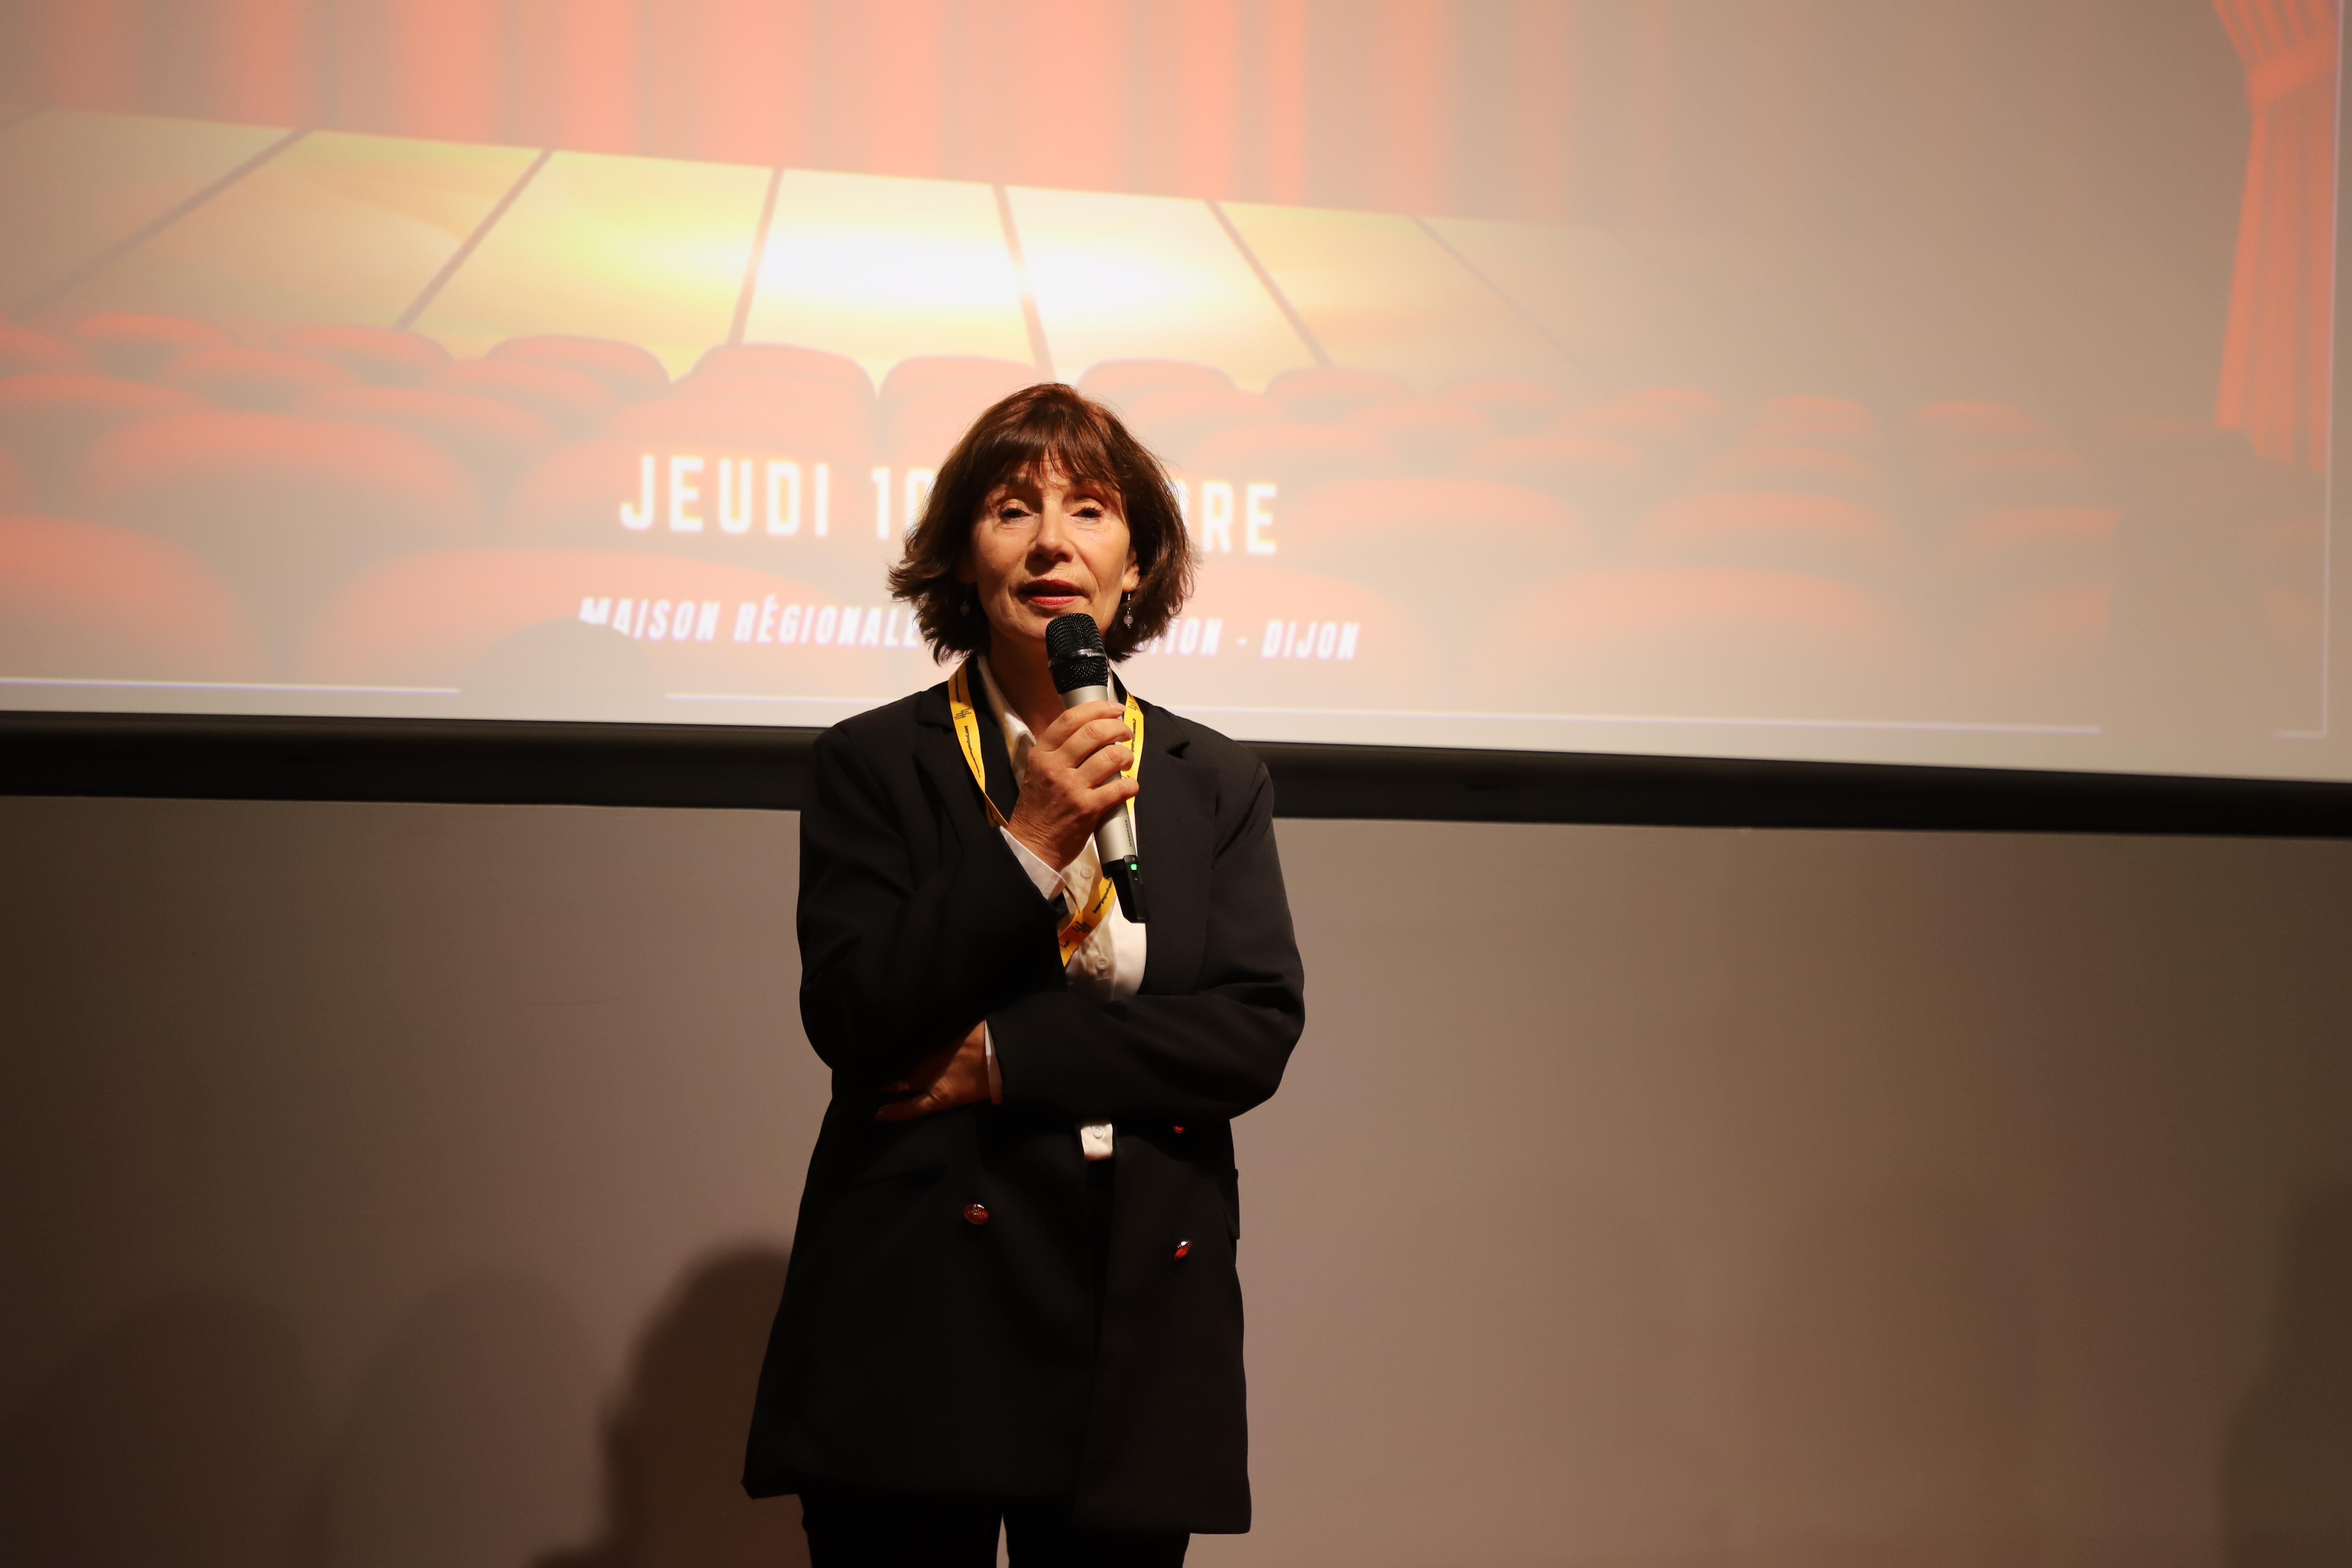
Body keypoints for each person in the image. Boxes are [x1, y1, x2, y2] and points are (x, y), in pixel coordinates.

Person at [743, 383, 1307, 1566]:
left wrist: (1005, 1058)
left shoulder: (1214, 779)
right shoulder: (872, 762)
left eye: (1089, 510)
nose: (1052, 541)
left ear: (1137, 564)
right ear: (963, 556)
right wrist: (1031, 839)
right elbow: (856, 1016)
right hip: (922, 1303)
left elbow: (1249, 1033)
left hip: (1137, 1304)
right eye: (1012, 510)